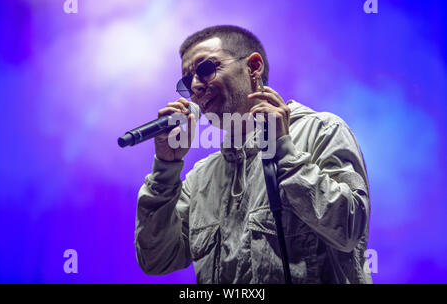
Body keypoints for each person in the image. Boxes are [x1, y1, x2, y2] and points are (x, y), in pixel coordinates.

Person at [134, 25, 372, 284]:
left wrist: (284, 151)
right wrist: (166, 168)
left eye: (205, 70)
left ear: (253, 67)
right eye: (186, 81)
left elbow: (349, 231)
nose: (194, 87)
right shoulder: (201, 178)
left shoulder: (321, 130)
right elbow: (156, 260)